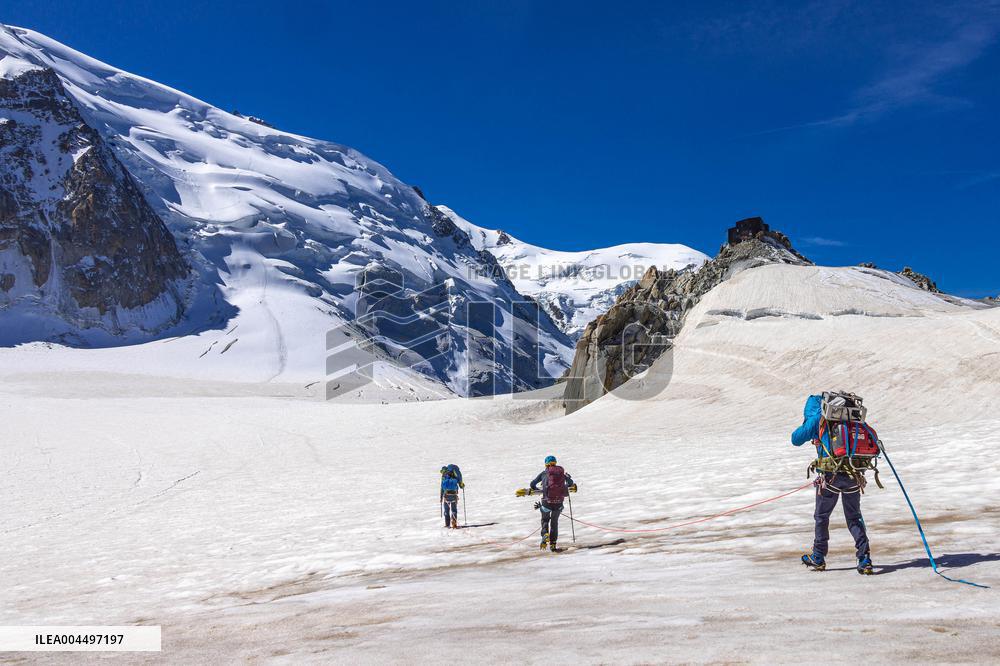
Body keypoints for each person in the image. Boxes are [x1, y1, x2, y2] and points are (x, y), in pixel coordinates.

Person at [792, 395, 873, 575]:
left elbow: (795, 439)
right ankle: (864, 558)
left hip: (830, 476)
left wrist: (809, 425)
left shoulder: (817, 419)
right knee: (854, 517)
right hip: (854, 473)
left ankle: (818, 556)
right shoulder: (852, 417)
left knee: (822, 516)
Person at [528, 456, 577, 551]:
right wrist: (568, 479)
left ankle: (545, 533)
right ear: (555, 462)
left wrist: (538, 490)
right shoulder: (561, 473)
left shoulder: (544, 473)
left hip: (546, 502)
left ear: (546, 464)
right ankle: (553, 544)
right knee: (554, 523)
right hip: (559, 503)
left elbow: (532, 484)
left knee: (545, 520)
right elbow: (570, 483)